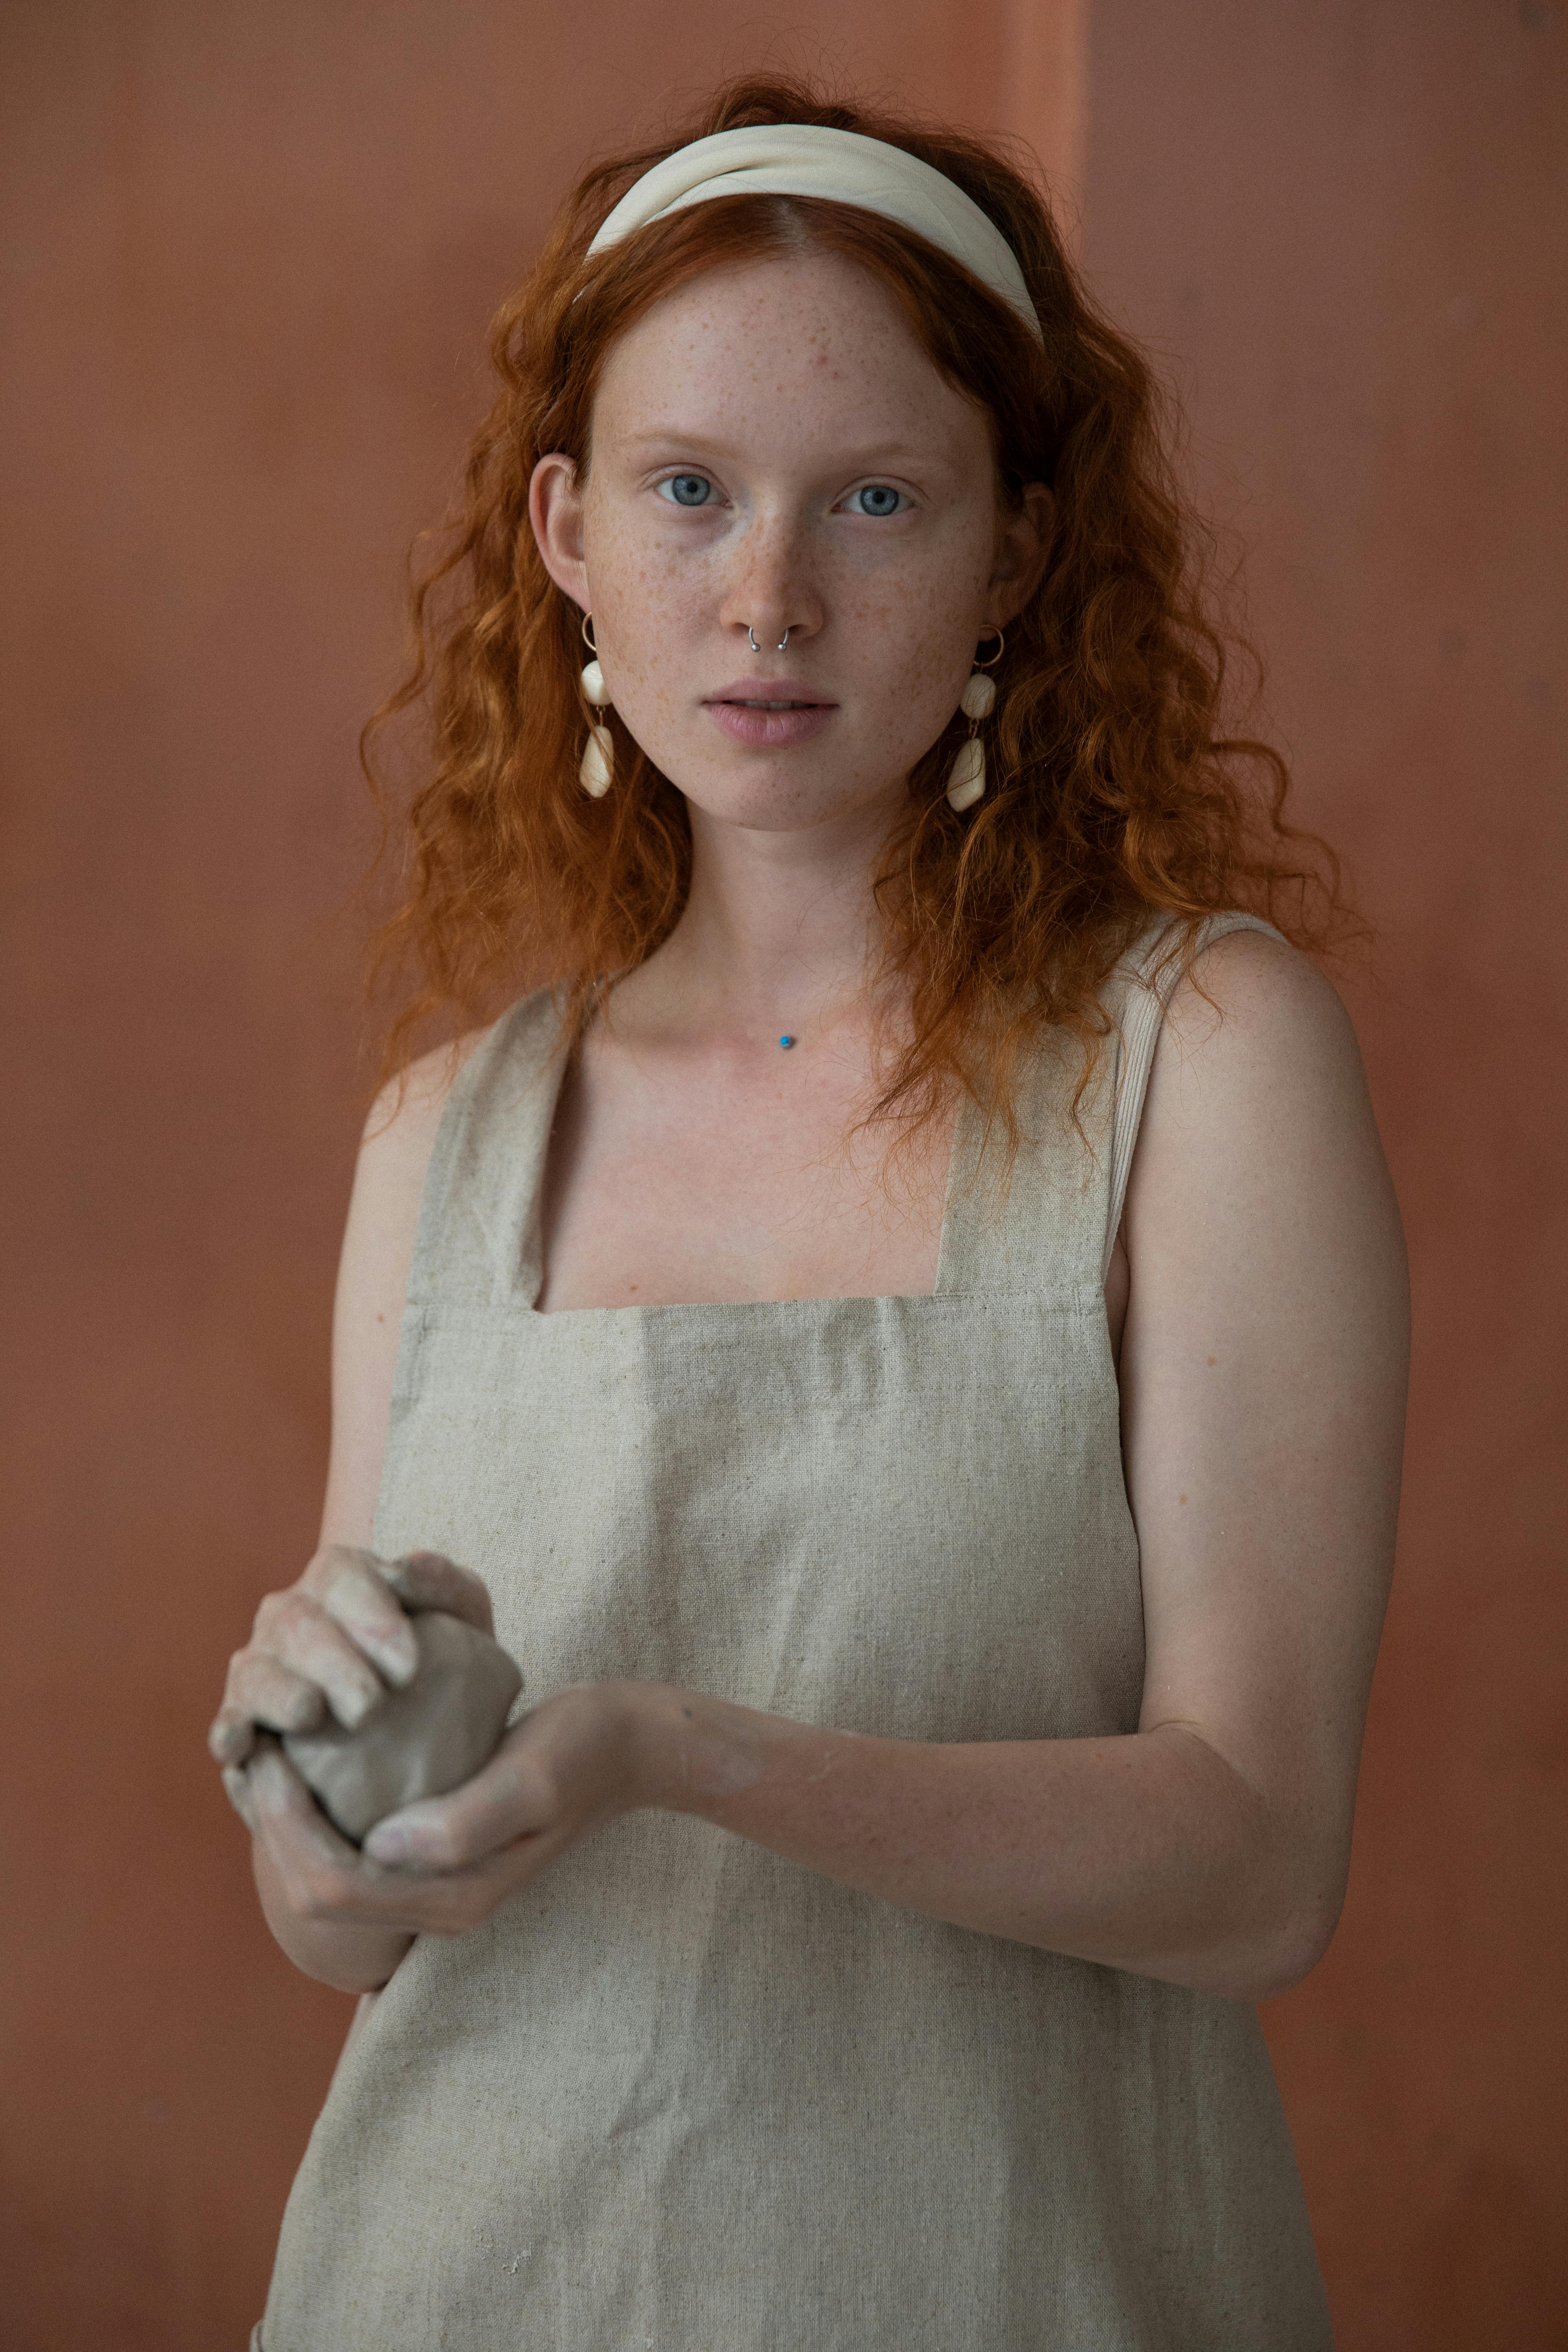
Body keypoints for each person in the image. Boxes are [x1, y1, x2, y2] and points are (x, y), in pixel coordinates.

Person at [209, 76, 1409, 2351]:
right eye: (690, 492)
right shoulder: (441, 1137)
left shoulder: (1203, 1061)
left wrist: (678, 1751)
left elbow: (1259, 1862)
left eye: (874, 497)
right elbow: (345, 1946)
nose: (768, 596)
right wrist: (324, 1800)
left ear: (1017, 556)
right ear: (568, 534)